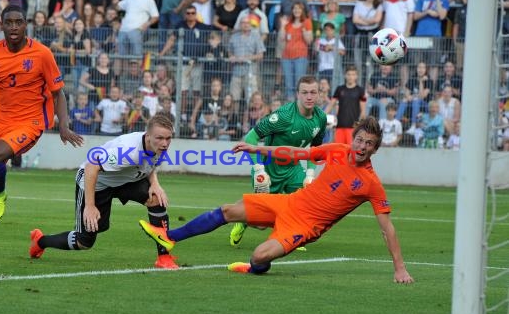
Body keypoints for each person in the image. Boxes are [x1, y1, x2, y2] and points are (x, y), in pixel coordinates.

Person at [140, 116, 414, 283]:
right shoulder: (338, 150)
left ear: (376, 149)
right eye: (360, 140)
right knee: (228, 210)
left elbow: (386, 227)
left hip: (304, 227)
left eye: (369, 144)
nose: (362, 147)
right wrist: (256, 148)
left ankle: (254, 269)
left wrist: (399, 269)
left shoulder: (371, 184)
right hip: (290, 202)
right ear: (353, 139)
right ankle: (170, 236)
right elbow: (296, 153)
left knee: (259, 256)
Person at [0, 5, 84, 261]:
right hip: (0, 121)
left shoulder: (42, 54)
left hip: (31, 121)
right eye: (9, 22)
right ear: (1, 25)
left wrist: (63, 124)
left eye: (19, 22)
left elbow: (58, 93)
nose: (14, 27)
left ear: (26, 24)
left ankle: (2, 192)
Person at [30, 114, 180, 269]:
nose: (165, 143)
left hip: (125, 180)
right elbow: (91, 166)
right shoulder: (127, 151)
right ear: (147, 136)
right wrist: (90, 205)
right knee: (84, 242)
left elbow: (149, 163)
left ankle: (164, 258)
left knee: (156, 199)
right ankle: (40, 240)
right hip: (96, 182)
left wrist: (155, 183)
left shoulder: (158, 146)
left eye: (168, 138)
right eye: (160, 138)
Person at [229, 75, 327, 247]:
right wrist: (259, 169)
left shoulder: (321, 118)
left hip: (294, 169)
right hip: (269, 169)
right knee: (260, 223)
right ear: (297, 94)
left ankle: (292, 237)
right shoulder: (283, 117)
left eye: (313, 92)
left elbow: (315, 150)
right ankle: (243, 221)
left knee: (304, 203)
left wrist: (310, 174)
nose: (309, 96)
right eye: (305, 92)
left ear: (319, 94)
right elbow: (250, 138)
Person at [325, 65, 367, 145]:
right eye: (349, 74)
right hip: (340, 126)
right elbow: (331, 104)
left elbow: (363, 111)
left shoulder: (360, 90)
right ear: (345, 75)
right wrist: (322, 116)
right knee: (339, 151)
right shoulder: (339, 89)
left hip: (352, 128)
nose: (351, 77)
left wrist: (358, 126)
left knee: (351, 152)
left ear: (356, 76)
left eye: (353, 74)